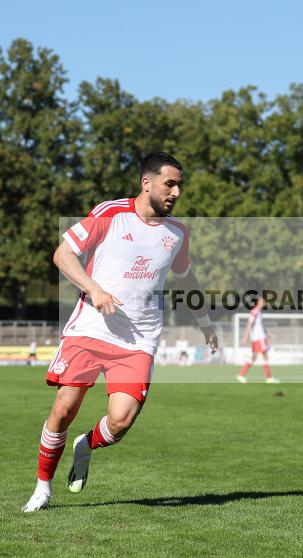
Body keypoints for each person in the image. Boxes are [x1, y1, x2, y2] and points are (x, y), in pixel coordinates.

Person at [22, 152, 218, 512]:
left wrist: (205, 322)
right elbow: (63, 255)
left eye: (179, 185)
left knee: (122, 420)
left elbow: (186, 277)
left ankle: (86, 445)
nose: (176, 192)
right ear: (147, 184)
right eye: (169, 184)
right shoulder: (109, 213)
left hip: (138, 340)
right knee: (65, 408)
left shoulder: (177, 233)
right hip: (92, 329)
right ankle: (43, 488)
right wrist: (94, 289)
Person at [236, 296, 279, 384]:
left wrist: (267, 332)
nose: (264, 303)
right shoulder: (255, 311)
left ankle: (241, 375)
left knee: (255, 357)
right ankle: (269, 378)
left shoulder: (258, 312)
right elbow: (249, 324)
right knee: (265, 355)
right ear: (259, 302)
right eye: (263, 301)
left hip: (259, 337)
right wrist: (245, 336)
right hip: (259, 338)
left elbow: (258, 325)